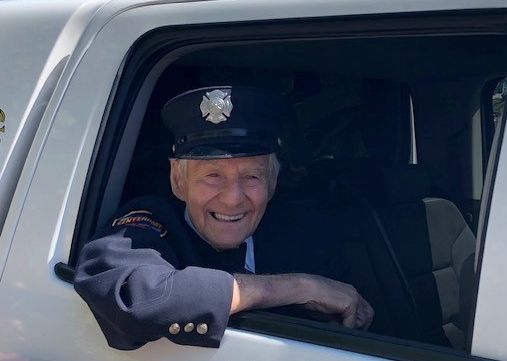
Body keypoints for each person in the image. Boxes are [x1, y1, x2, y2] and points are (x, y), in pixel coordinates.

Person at [74, 86, 374, 350]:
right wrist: (297, 288)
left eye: (252, 176)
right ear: (178, 181)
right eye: (212, 175)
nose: (233, 198)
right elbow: (134, 299)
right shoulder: (147, 226)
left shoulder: (307, 237)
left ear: (273, 182)